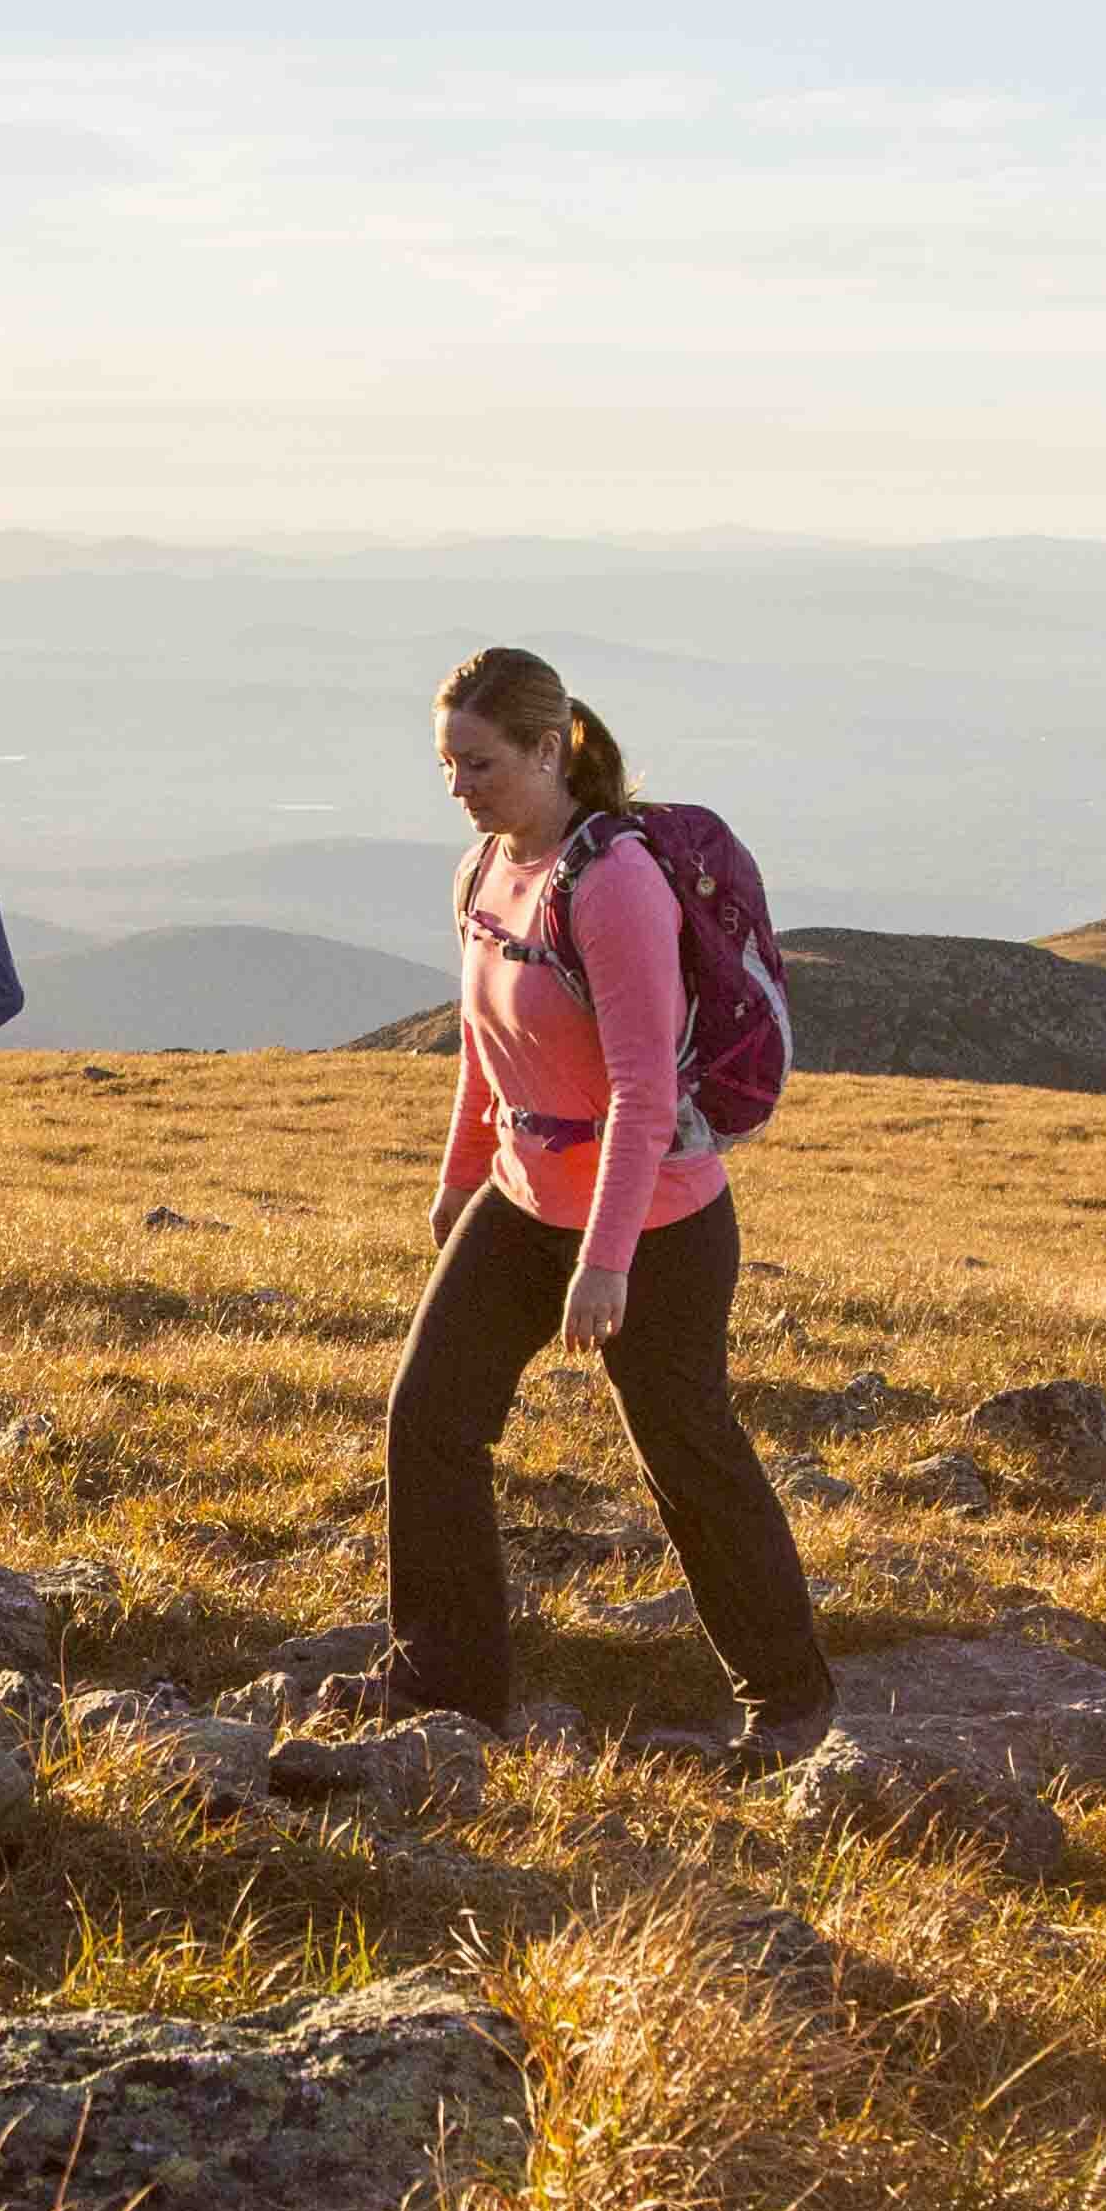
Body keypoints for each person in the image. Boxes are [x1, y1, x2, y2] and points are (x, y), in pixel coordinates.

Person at [337, 646, 832, 1767]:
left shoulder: (612, 884)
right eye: (447, 763)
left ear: (550, 752)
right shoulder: (482, 873)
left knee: (686, 1449)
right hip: (519, 1203)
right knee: (431, 1418)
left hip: (653, 1223)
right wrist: (459, 1178)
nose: (458, 785)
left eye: (480, 763)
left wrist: (604, 1262)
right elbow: (481, 1039)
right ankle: (444, 1681)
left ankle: (789, 1703)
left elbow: (644, 1089)